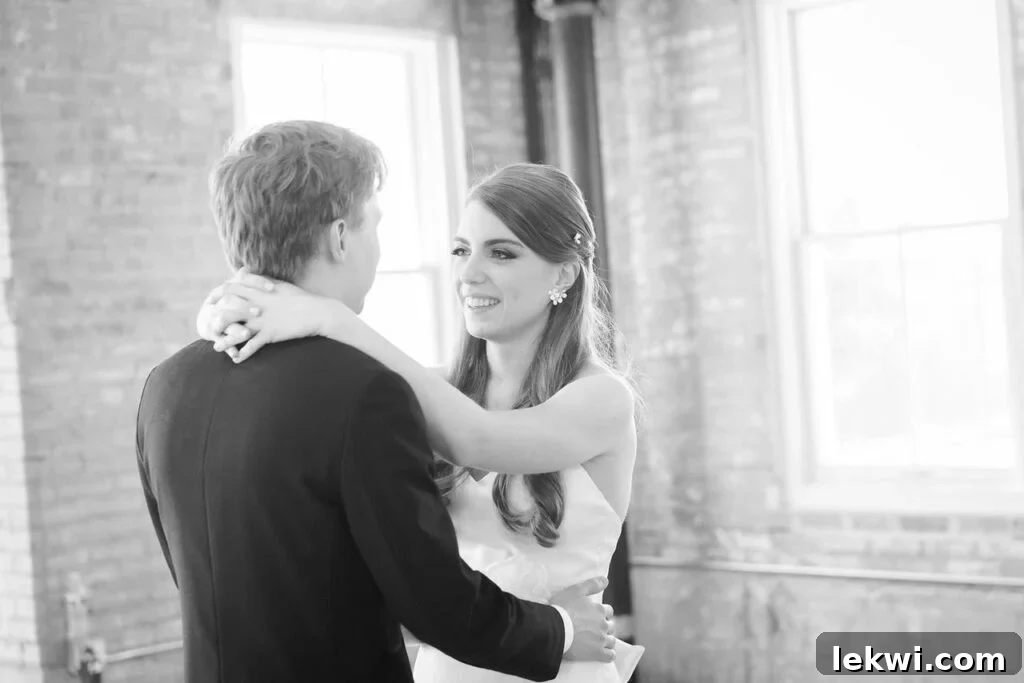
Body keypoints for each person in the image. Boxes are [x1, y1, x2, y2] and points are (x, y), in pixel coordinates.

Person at [136, 121, 618, 683]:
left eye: (501, 252)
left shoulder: (166, 386)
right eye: (461, 249)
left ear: (564, 271)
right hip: (499, 649)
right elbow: (424, 593)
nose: (467, 271)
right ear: (341, 237)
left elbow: (480, 439)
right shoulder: (373, 395)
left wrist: (299, 314)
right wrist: (559, 630)